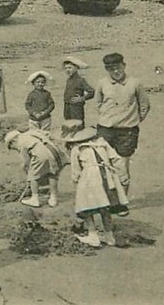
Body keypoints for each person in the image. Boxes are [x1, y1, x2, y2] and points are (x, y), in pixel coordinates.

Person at [95, 52, 150, 202]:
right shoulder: (102, 83)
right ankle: (108, 199)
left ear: (124, 66)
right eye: (111, 69)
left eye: (118, 67)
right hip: (105, 129)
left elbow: (144, 105)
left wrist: (132, 120)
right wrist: (108, 117)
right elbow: (98, 104)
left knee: (123, 167)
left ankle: (122, 201)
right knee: (104, 164)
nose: (116, 71)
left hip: (127, 131)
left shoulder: (135, 83)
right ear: (106, 70)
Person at [64, 124, 128, 247]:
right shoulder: (102, 143)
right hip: (107, 176)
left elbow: (76, 171)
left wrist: (76, 186)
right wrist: (122, 175)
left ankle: (92, 234)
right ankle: (109, 236)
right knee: (105, 207)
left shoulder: (76, 149)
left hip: (89, 177)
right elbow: (116, 159)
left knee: (87, 206)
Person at [5, 128, 65, 208]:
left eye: (12, 147)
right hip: (53, 150)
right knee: (52, 173)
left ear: (13, 141)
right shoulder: (30, 133)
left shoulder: (20, 143)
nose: (15, 149)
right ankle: (53, 198)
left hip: (40, 153)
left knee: (32, 174)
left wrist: (29, 177)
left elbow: (26, 163)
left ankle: (34, 199)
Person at [62, 56, 94, 122]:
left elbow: (92, 92)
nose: (67, 70)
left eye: (70, 68)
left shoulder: (80, 80)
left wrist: (81, 98)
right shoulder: (68, 80)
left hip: (76, 109)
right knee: (68, 124)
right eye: (66, 68)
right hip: (67, 107)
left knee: (77, 124)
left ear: (76, 67)